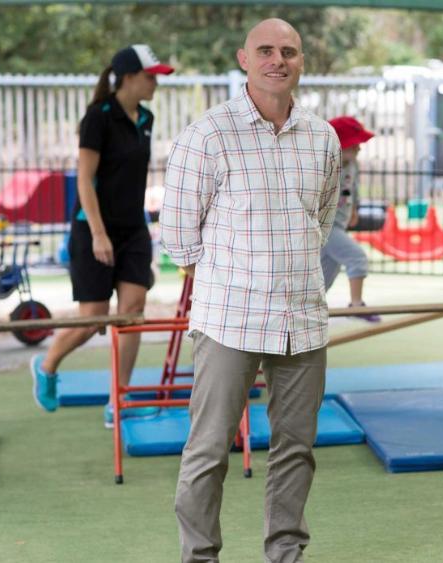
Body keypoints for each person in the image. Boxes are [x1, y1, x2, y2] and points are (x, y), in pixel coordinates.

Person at [160, 18, 340, 562]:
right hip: (228, 320)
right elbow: (177, 234)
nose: (277, 60)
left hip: (303, 320)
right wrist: (228, 280)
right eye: (266, 50)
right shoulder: (207, 135)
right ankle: (200, 557)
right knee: (209, 450)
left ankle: (286, 553)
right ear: (244, 58)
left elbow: (321, 221)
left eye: (289, 51)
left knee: (296, 451)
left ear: (301, 61)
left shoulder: (322, 137)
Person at [29, 45, 174, 426]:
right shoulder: (98, 117)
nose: (156, 82)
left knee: (131, 314)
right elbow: (85, 181)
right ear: (128, 77)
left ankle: (118, 401)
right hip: (93, 228)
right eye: (151, 75)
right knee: (93, 320)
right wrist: (97, 234)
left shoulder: (146, 118)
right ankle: (47, 366)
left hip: (133, 230)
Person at [323, 115, 380, 322]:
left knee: (327, 271)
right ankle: (356, 305)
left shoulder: (352, 164)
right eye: (354, 145)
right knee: (356, 257)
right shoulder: (327, 164)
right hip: (326, 227)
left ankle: (307, 306)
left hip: (340, 223)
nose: (359, 149)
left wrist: (354, 208)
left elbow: (352, 188)